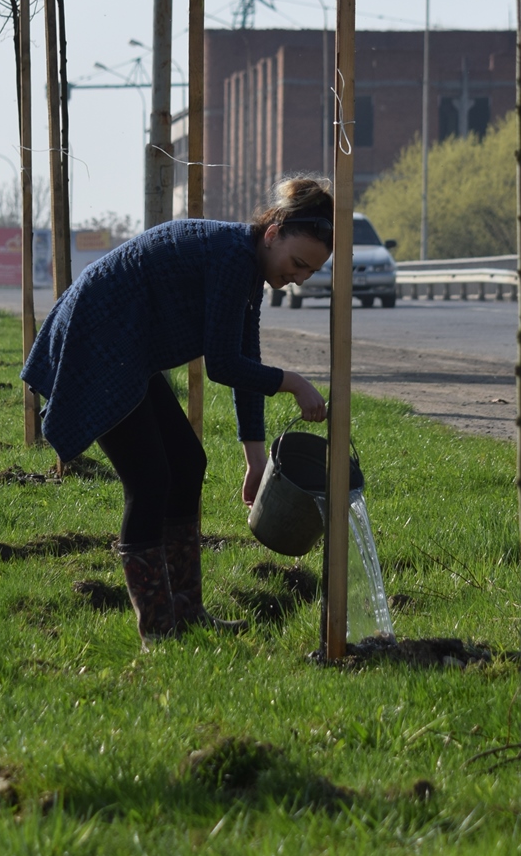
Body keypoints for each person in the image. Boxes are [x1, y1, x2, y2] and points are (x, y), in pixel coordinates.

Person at [21, 176, 333, 645]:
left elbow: (242, 356)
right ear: (272, 234)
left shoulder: (248, 268)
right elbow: (224, 366)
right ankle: (158, 630)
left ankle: (186, 612)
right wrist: (293, 383)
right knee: (150, 480)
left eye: (310, 272)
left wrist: (255, 457)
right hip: (100, 342)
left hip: (130, 348)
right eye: (299, 263)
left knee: (188, 463)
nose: (300, 277)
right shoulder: (232, 258)